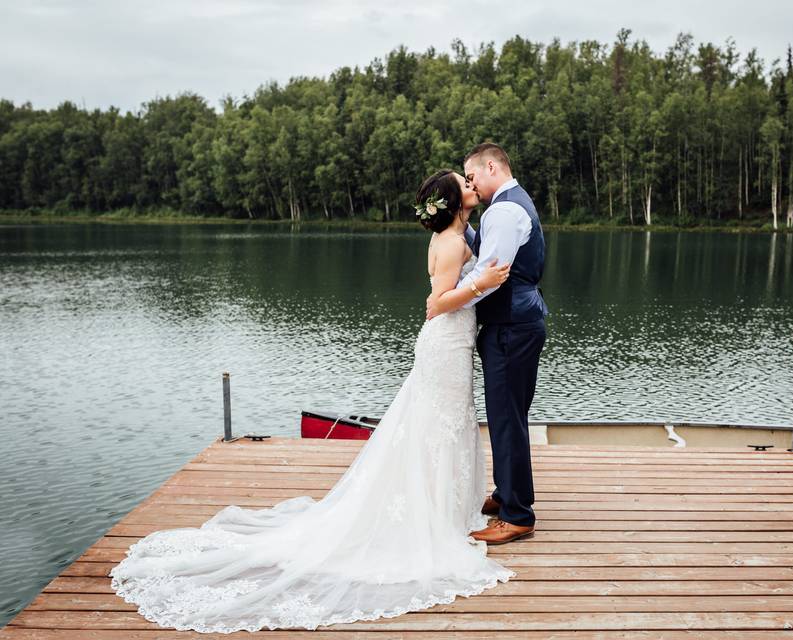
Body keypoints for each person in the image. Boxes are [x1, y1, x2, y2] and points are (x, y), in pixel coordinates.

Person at [109, 169, 514, 633]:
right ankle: (431, 519)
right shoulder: (449, 243)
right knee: (438, 426)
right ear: (451, 202)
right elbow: (435, 303)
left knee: (446, 426)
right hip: (444, 343)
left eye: (470, 182)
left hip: (456, 343)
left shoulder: (463, 236)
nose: (471, 187)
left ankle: (445, 510)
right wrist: (483, 283)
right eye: (464, 186)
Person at [427, 142, 548, 545]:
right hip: (514, 322)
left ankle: (517, 515)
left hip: (512, 325)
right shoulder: (509, 206)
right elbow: (481, 256)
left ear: (491, 166)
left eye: (472, 175)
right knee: (506, 415)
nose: (472, 184)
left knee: (507, 417)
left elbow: (486, 274)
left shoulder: (504, 210)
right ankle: (507, 494)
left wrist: (443, 300)